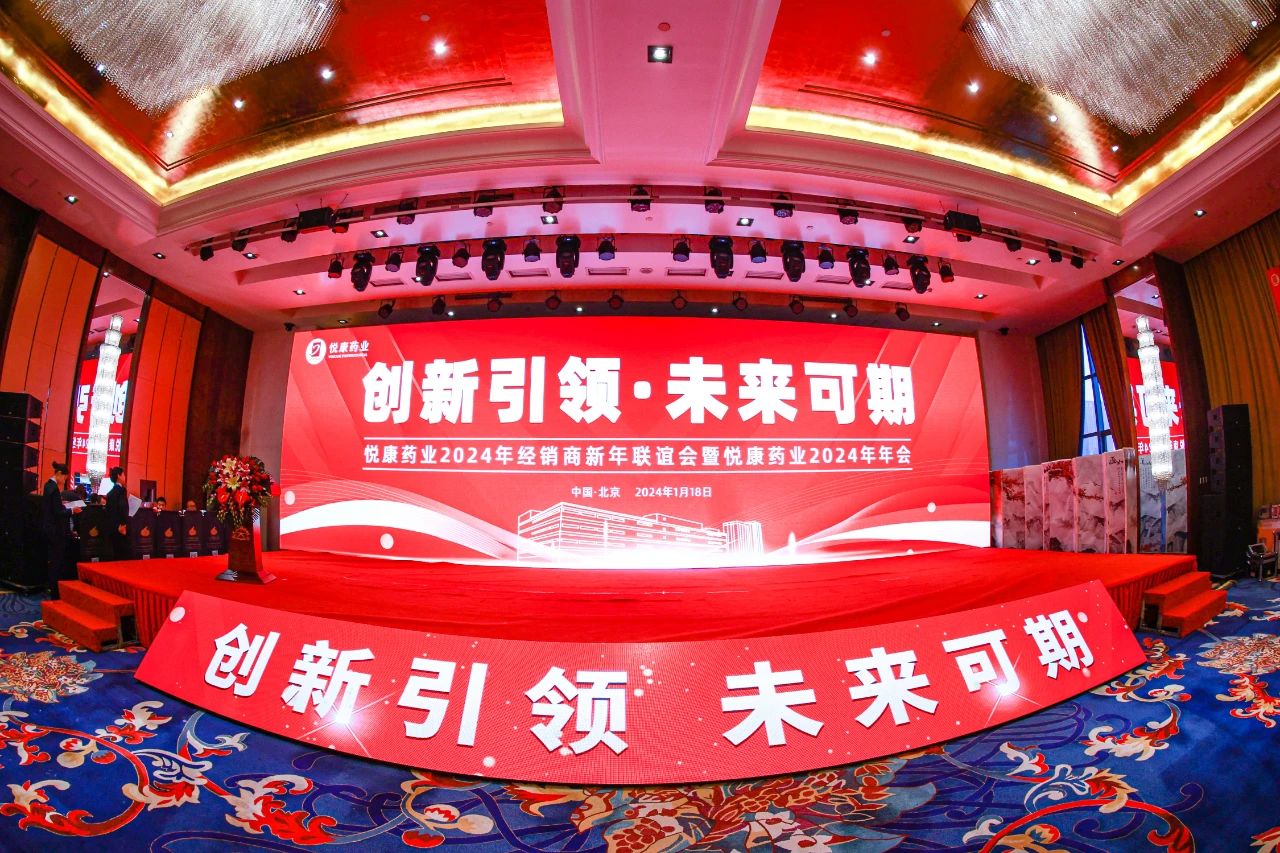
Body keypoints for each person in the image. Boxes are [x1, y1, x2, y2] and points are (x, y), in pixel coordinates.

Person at [41, 461, 80, 598]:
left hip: (48, 528)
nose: (64, 481)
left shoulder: (47, 485)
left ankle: (51, 587)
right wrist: (72, 511)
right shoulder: (54, 489)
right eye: (64, 477)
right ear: (59, 474)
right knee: (56, 562)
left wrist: (63, 506)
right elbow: (57, 512)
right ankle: (55, 591)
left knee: (51, 560)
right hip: (55, 531)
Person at [104, 466, 130, 560]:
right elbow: (122, 508)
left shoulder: (110, 493)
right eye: (124, 475)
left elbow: (110, 512)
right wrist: (122, 525)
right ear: (119, 476)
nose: (125, 477)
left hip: (113, 527)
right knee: (122, 555)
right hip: (121, 527)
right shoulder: (121, 490)